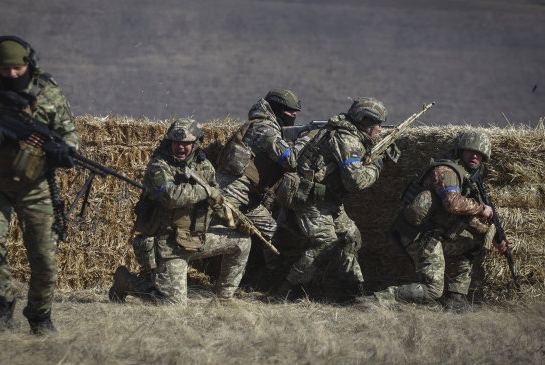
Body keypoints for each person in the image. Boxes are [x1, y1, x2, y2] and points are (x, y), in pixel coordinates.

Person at [0, 35, 80, 334]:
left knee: (44, 259)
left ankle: (40, 317)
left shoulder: (48, 93)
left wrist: (62, 153)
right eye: (5, 69)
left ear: (28, 64)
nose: (12, 74)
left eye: (17, 68)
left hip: (36, 187)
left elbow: (69, 137)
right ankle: (1, 309)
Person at [109, 118, 251, 306]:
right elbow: (170, 197)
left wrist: (237, 220)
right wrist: (206, 191)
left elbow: (216, 202)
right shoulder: (159, 166)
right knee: (174, 306)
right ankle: (126, 282)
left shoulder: (205, 166)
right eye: (176, 143)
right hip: (167, 244)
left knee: (242, 241)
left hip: (194, 238)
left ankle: (223, 298)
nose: (180, 148)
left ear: (195, 144)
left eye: (186, 144)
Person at [374, 129, 505, 312]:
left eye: (480, 153)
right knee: (433, 291)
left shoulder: (466, 179)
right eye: (470, 151)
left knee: (473, 244)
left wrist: (491, 236)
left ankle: (455, 299)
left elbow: (462, 218)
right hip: (419, 236)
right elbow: (452, 203)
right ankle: (379, 299)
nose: (475, 156)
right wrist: (482, 208)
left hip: (434, 234)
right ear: (460, 150)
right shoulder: (446, 171)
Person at [274, 97, 392, 299]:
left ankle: (352, 289)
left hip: (328, 200)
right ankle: (289, 289)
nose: (380, 129)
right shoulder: (346, 139)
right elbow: (356, 182)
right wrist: (377, 165)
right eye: (376, 124)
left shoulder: (349, 134)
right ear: (363, 121)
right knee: (325, 243)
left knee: (351, 237)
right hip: (311, 200)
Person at [215, 89, 309, 284]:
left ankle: (273, 282)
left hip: (248, 197)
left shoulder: (266, 126)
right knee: (229, 238)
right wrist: (307, 140)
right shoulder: (264, 128)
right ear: (276, 109)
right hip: (232, 193)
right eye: (289, 110)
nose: (294, 115)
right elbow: (290, 160)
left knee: (271, 232)